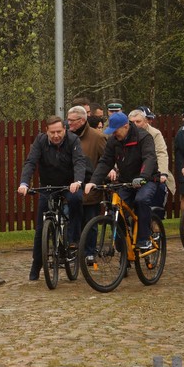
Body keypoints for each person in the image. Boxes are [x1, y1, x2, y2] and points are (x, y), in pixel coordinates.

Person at [18, 115, 87, 281]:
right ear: (46, 132)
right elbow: (30, 163)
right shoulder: (40, 141)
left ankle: (73, 240)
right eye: (52, 132)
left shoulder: (73, 140)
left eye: (59, 132)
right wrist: (24, 183)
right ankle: (37, 264)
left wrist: (77, 181)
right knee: (41, 227)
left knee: (76, 200)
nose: (56, 136)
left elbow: (79, 162)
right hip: (48, 186)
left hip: (69, 184)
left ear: (64, 129)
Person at [85, 112, 159, 251]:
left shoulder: (143, 137)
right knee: (116, 210)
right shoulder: (114, 141)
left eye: (116, 131)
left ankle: (144, 238)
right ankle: (123, 248)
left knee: (141, 200)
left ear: (126, 126)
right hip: (126, 181)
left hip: (147, 179)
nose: (114, 134)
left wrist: (143, 177)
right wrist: (94, 181)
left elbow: (149, 158)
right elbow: (105, 162)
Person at [66, 105, 108, 262]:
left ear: (82, 120)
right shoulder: (67, 136)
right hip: (71, 188)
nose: (68, 123)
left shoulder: (97, 138)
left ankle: (90, 252)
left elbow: (106, 160)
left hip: (90, 187)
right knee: (72, 220)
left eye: (72, 120)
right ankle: (73, 250)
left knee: (90, 222)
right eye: (68, 120)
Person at [129, 109, 176, 214]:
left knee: (158, 191)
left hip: (153, 171)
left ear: (145, 121)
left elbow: (161, 153)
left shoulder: (155, 133)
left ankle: (155, 221)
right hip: (134, 172)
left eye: (138, 121)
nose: (135, 125)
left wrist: (163, 172)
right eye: (132, 122)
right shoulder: (127, 134)